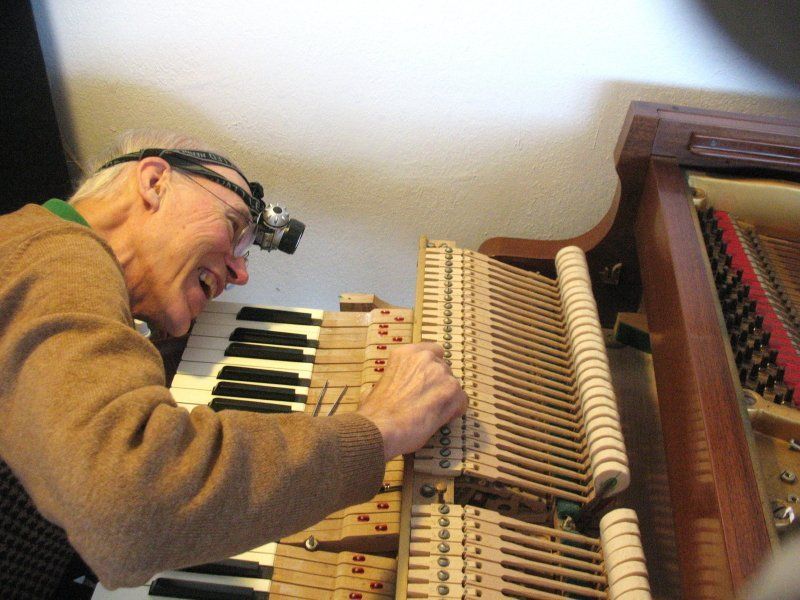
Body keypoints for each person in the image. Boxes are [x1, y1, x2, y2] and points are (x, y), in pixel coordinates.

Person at [0, 129, 467, 595]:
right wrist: (381, 428)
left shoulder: (40, 256)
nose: (241, 274)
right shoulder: (55, 253)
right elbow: (127, 503)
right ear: (154, 182)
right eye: (233, 225)